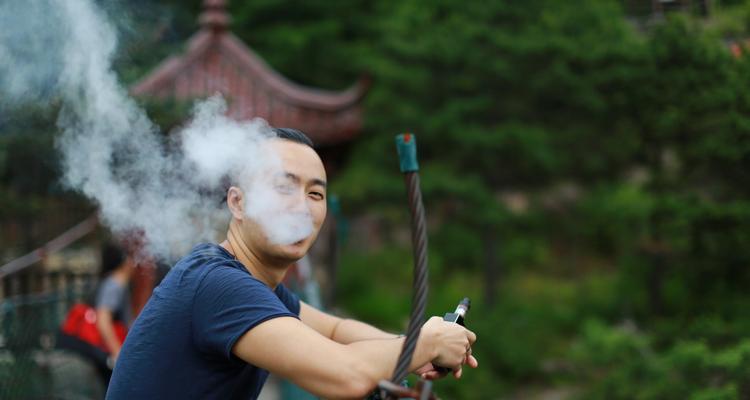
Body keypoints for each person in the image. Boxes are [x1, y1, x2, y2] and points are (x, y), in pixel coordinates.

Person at [106, 128, 478, 399]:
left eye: (314, 193)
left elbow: (335, 331)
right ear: (237, 203)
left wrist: (422, 346)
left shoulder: (255, 286)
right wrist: (424, 343)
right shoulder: (218, 284)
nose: (302, 206)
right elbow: (344, 374)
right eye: (283, 187)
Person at [57, 241, 134, 388]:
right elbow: (103, 320)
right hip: (105, 353)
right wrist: (118, 355)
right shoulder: (115, 284)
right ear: (124, 261)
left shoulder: (109, 281)